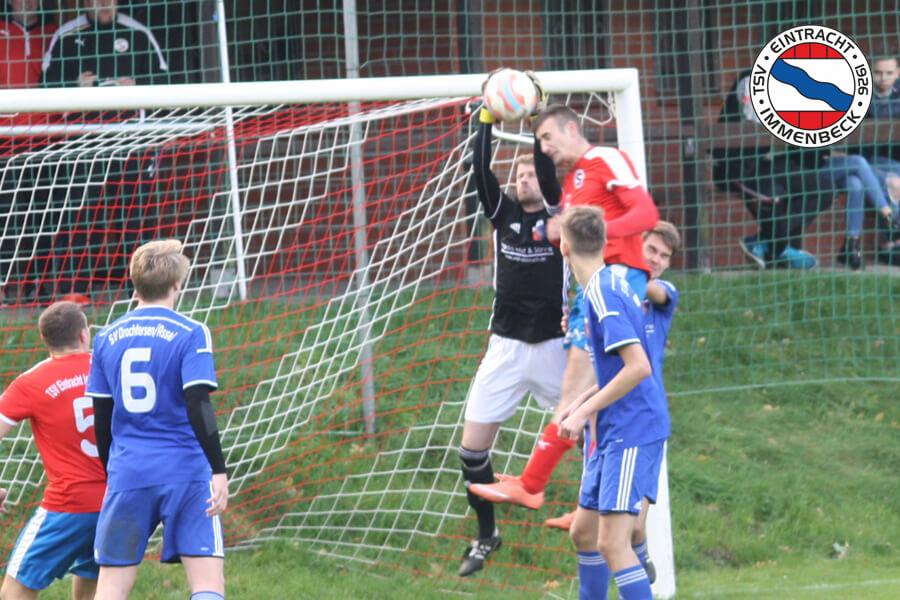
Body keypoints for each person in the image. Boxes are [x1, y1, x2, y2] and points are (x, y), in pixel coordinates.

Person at [469, 103, 659, 510]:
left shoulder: (605, 158)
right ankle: (593, 504)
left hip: (615, 279)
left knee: (581, 390)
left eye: (546, 137)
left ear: (571, 128)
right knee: (590, 397)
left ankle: (536, 484)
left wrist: (590, 231)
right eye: (538, 141)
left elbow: (646, 214)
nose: (543, 148)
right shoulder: (572, 183)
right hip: (588, 290)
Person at [456, 104, 567, 577]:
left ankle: (616, 528)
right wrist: (485, 120)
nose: (524, 179)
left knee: (599, 436)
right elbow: (480, 169)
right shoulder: (502, 213)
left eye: (531, 174)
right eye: (518, 175)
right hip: (504, 347)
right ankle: (487, 535)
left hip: (554, 347)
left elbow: (546, 166)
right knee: (471, 451)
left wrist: (534, 122)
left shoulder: (558, 214)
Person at [85, 239, 228, 600]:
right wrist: (219, 469)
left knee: (111, 587)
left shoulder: (106, 337)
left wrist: (113, 471)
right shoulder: (192, 332)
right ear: (177, 284)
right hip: (186, 472)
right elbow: (198, 404)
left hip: (129, 471)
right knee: (207, 585)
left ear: (135, 285)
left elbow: (101, 418)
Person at [544, 221, 682, 585]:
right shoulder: (602, 291)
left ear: (564, 247)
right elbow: (611, 372)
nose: (656, 260)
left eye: (664, 255)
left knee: (618, 539)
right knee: (585, 534)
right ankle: (635, 565)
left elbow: (638, 367)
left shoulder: (617, 291)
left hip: (635, 424)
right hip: (609, 422)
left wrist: (618, 264)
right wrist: (580, 405)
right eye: (650, 250)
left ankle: (639, 563)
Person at [40, 0, 169, 300]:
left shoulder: (138, 34)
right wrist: (74, 85)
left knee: (136, 214)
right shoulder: (66, 36)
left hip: (132, 142)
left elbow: (164, 80)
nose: (105, 4)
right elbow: (44, 84)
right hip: (84, 143)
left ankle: (139, 289)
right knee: (81, 217)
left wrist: (137, 85)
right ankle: (76, 290)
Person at [0, 301, 106, 600]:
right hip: (119, 499)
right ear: (84, 334)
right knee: (94, 572)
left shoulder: (31, 382)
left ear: (45, 340)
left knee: (13, 591)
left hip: (68, 505)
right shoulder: (110, 368)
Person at [712, 69, 831, 270]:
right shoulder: (751, 80)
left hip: (778, 164)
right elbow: (757, 126)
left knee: (825, 190)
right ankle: (780, 250)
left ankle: (766, 242)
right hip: (742, 166)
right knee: (776, 196)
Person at [0, 0, 58, 304]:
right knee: (7, 216)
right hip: (5, 140)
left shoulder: (54, 33)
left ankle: (40, 283)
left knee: (42, 216)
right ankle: (5, 285)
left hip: (44, 140)